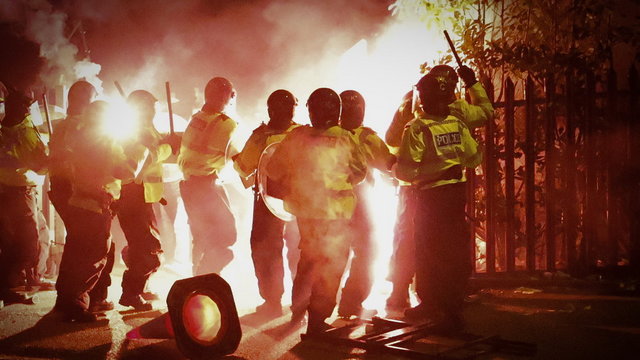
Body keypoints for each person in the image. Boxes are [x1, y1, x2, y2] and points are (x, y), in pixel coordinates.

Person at [395, 65, 492, 333]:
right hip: (455, 196)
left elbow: (405, 172)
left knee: (429, 253)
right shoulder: (458, 122)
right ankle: (448, 306)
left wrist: (406, 168)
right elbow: (474, 158)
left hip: (429, 197)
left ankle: (437, 306)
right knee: (452, 251)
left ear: (422, 99)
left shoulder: (417, 128)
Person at [267, 88, 367, 334]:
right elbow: (360, 171)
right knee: (331, 263)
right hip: (336, 214)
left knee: (308, 259)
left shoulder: (297, 136)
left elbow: (273, 169)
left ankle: (298, 309)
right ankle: (317, 318)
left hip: (306, 211)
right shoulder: (345, 137)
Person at [55, 100, 128, 322]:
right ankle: (77, 306)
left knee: (75, 253)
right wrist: (141, 149)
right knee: (92, 257)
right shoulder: (100, 143)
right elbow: (122, 171)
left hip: (80, 204)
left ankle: (66, 301)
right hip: (94, 206)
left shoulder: (82, 137)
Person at [233, 89, 301, 317]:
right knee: (300, 249)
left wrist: (236, 160)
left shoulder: (260, 135)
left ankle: (272, 301)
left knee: (266, 250)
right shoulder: (304, 134)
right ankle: (302, 299)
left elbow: (244, 166)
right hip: (300, 201)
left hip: (267, 200)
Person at [116, 90, 177, 311]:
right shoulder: (135, 132)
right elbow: (145, 158)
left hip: (145, 196)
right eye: (150, 105)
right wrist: (167, 147)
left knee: (144, 246)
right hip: (133, 195)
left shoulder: (147, 129)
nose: (154, 109)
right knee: (148, 248)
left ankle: (139, 286)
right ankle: (131, 292)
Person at [336, 90, 395, 319]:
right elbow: (389, 163)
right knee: (367, 251)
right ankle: (349, 304)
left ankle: (317, 307)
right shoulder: (366, 137)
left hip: (328, 203)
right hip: (359, 203)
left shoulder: (324, 135)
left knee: (328, 254)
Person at [178, 77, 238, 276]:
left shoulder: (197, 118)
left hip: (189, 184)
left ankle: (198, 277)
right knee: (227, 236)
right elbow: (238, 157)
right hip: (207, 185)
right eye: (230, 94)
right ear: (224, 96)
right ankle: (206, 275)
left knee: (201, 235)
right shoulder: (226, 124)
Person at [0, 84, 48, 305]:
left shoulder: (15, 126)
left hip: (19, 190)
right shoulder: (20, 128)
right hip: (17, 192)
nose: (29, 109)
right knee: (25, 243)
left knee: (28, 238)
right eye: (27, 104)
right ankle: (9, 287)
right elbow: (39, 163)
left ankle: (26, 280)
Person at [384, 90, 418, 312]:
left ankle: (400, 292)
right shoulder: (456, 107)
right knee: (409, 240)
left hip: (413, 188)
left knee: (406, 240)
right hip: (432, 189)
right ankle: (401, 291)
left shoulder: (409, 106)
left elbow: (391, 139)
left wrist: (394, 169)